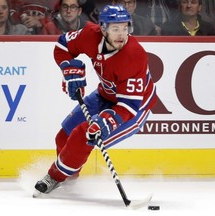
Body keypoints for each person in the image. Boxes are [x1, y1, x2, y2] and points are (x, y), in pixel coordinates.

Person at [34, 4, 157, 195]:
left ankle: (55, 177)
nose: (121, 34)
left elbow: (129, 105)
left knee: (84, 135)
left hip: (134, 109)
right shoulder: (89, 35)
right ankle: (69, 182)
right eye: (116, 29)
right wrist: (69, 68)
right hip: (104, 95)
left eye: (125, 28)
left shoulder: (134, 55)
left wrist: (106, 121)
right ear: (103, 29)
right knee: (63, 136)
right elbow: (62, 45)